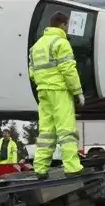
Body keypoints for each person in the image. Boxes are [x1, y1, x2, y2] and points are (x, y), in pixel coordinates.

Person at [28, 10, 85, 179]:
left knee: (46, 131)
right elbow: (68, 70)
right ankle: (72, 167)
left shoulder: (37, 45)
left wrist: (43, 81)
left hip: (43, 91)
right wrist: (78, 91)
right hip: (59, 91)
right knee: (66, 129)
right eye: (67, 25)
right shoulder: (61, 42)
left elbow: (32, 72)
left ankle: (40, 168)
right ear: (62, 25)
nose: (68, 29)